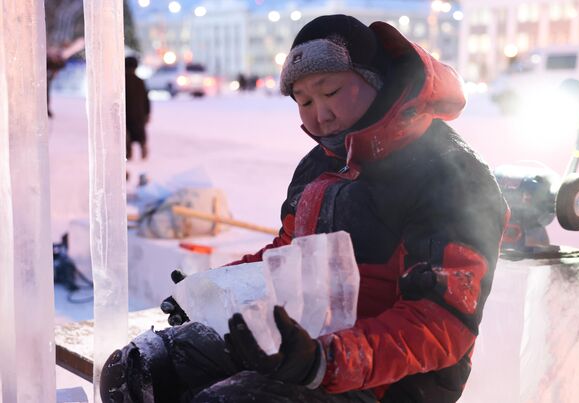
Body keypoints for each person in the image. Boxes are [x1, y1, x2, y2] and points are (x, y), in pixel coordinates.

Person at [100, 15, 508, 403]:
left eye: (330, 92)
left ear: (374, 80)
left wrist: (323, 360)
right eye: (304, 100)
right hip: (302, 342)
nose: (320, 115)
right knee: (136, 370)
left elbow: (441, 323)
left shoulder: (449, 174)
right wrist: (211, 290)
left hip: (394, 381)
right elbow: (285, 255)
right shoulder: (321, 164)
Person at [125, 55, 151, 160]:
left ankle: (129, 153)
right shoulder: (140, 81)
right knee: (140, 135)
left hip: (126, 113)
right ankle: (143, 149)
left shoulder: (122, 81)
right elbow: (146, 99)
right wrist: (147, 113)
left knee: (128, 135)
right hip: (139, 114)